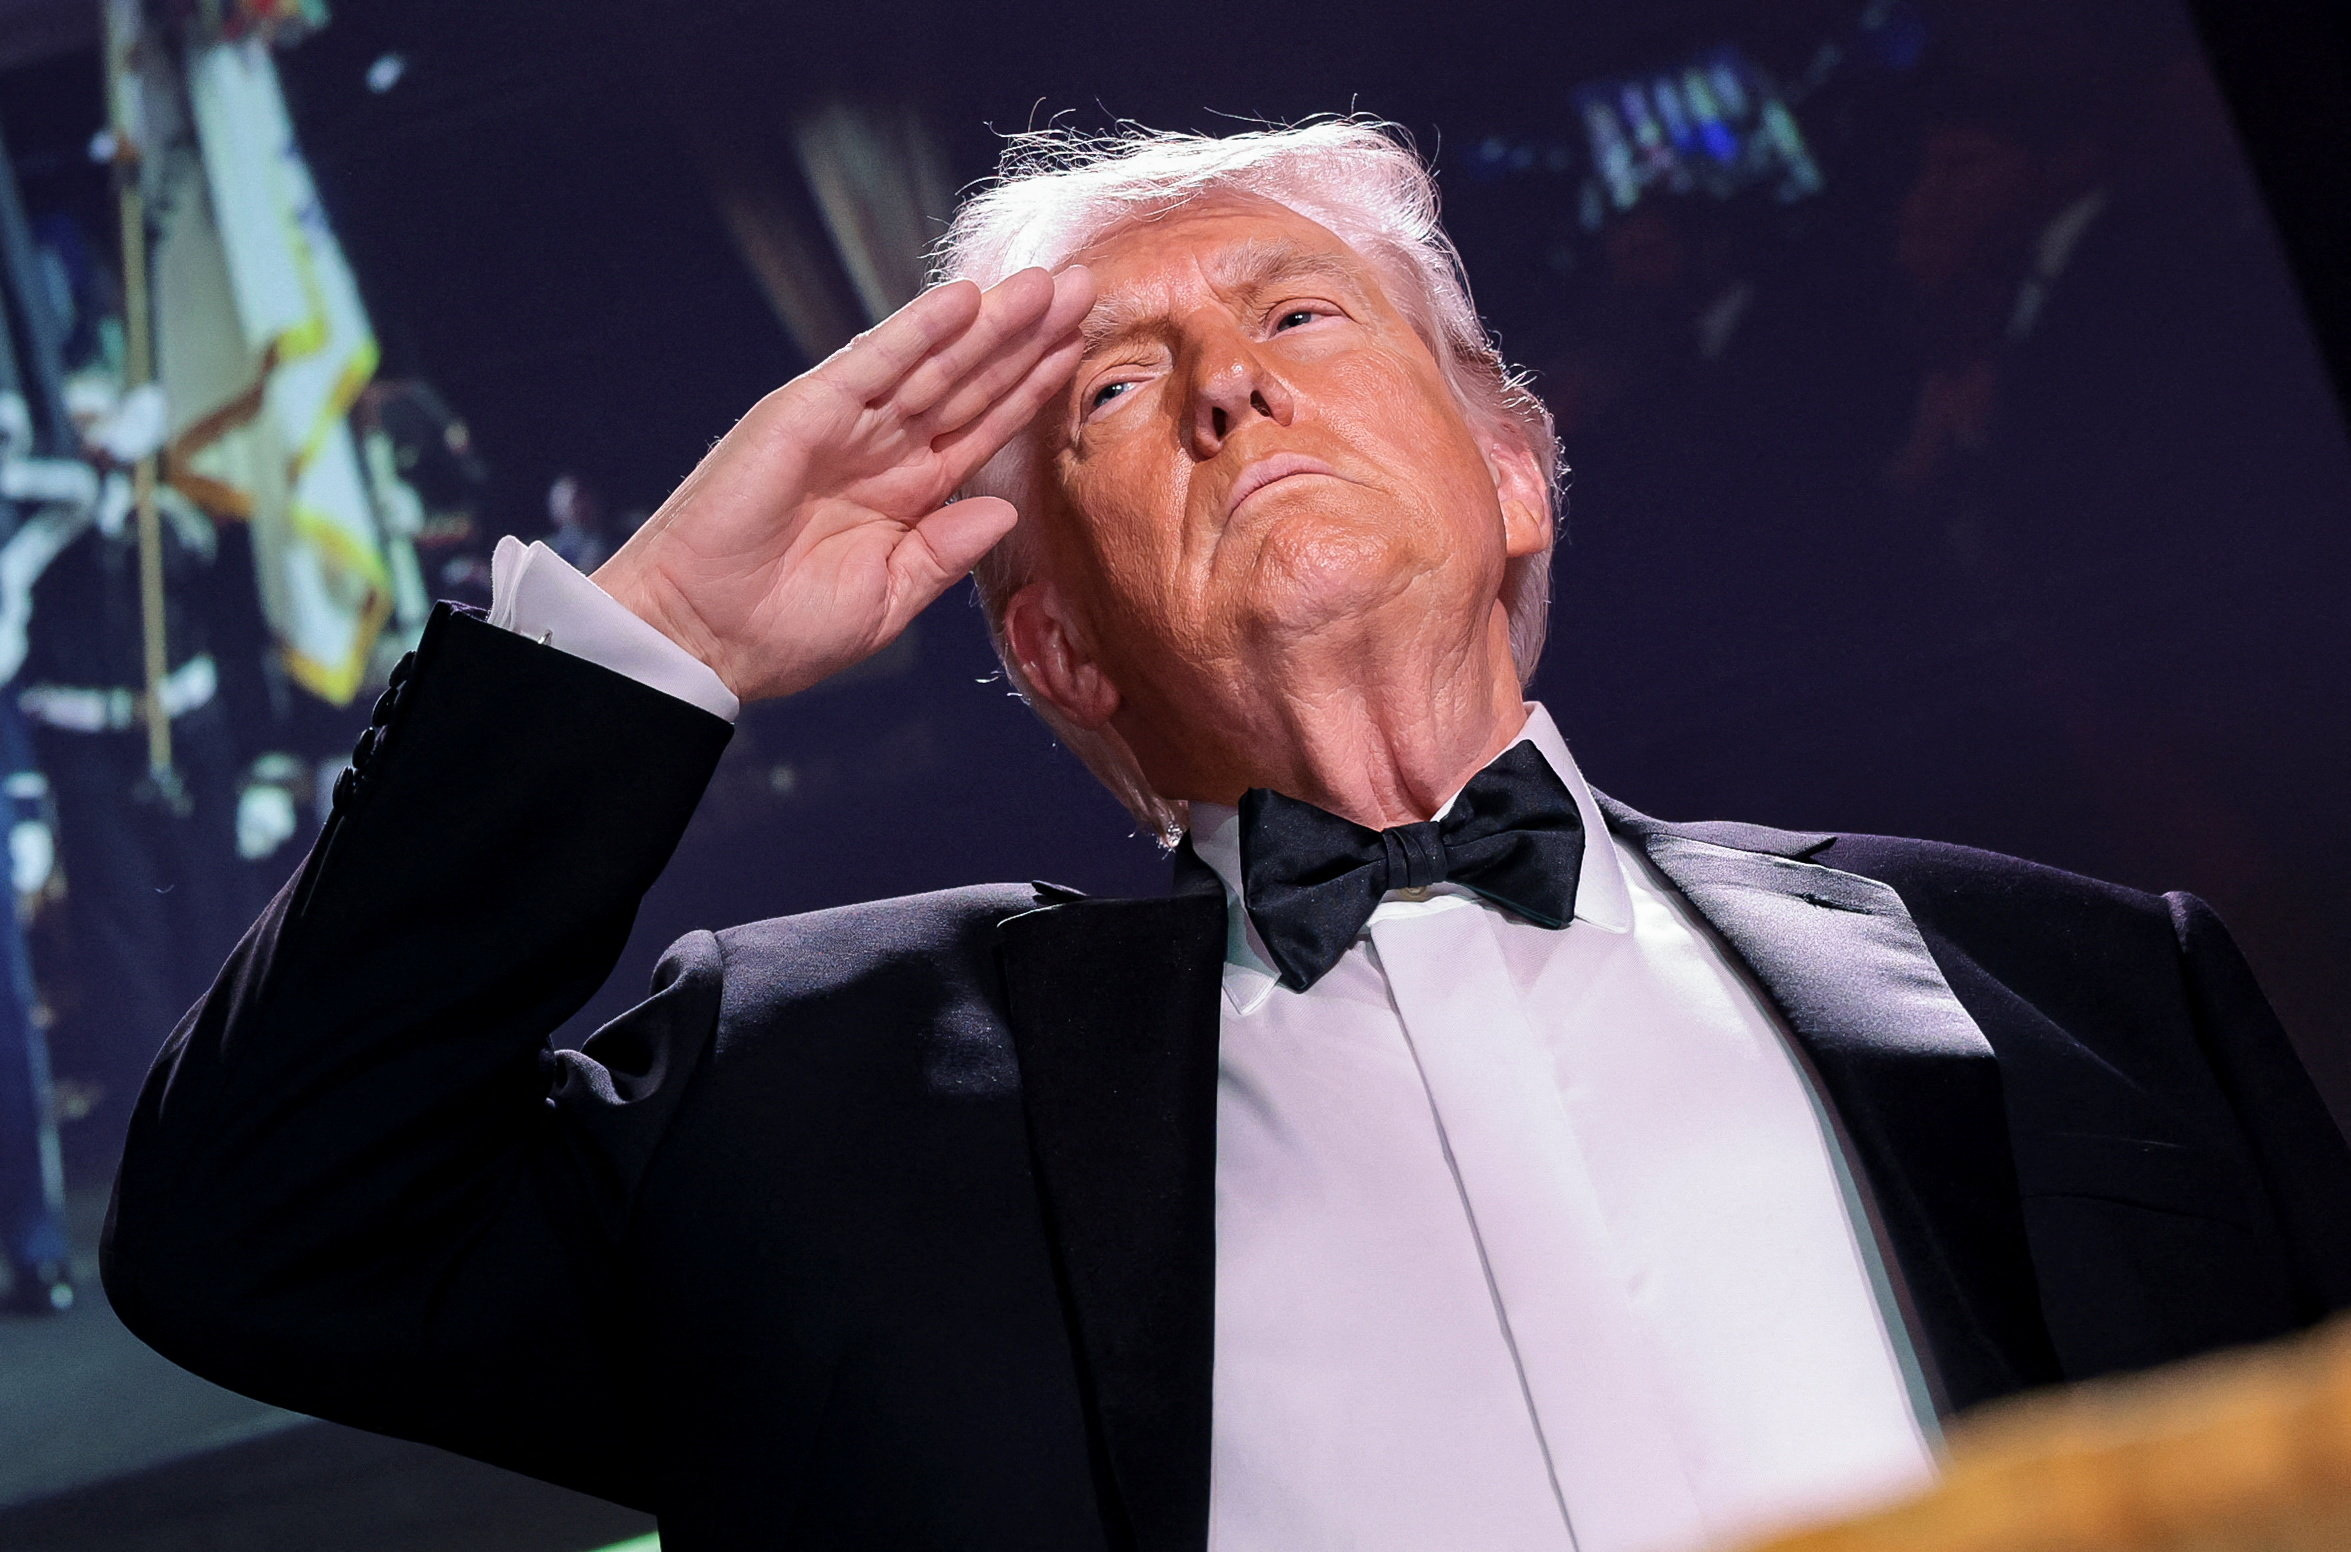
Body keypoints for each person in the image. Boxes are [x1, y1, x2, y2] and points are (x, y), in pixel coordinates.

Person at [102, 124, 2351, 1552]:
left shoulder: (2086, 981)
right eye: (1113, 391)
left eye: (1296, 313)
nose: (1231, 385)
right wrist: (658, 630)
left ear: (1512, 474)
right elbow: (253, 1229)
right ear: (1058, 647)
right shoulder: (807, 1102)